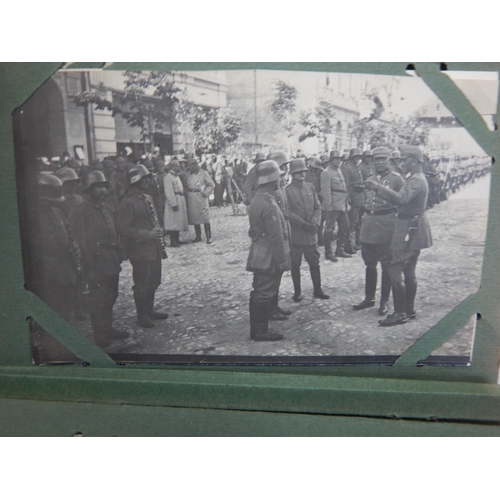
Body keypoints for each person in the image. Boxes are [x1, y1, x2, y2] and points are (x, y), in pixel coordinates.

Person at [365, 145, 433, 326]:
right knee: (409, 269)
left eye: (403, 160)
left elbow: (401, 199)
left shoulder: (415, 180)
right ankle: (409, 309)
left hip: (408, 228)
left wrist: (378, 188)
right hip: (414, 227)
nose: (401, 163)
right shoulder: (417, 178)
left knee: (395, 269)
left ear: (413, 161)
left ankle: (399, 313)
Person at [69, 170, 127, 347]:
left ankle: (108, 328)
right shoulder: (80, 212)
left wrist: (118, 253)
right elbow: (80, 243)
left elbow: (114, 232)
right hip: (95, 261)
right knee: (98, 299)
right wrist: (89, 267)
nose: (102, 190)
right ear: (88, 189)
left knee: (112, 295)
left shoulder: (105, 207)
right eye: (97, 187)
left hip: (110, 258)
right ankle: (100, 334)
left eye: (104, 186)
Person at [352, 147, 404, 315]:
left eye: (383, 159)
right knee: (369, 263)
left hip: (386, 224)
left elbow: (401, 201)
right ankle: (369, 298)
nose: (380, 162)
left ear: (389, 160)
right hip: (369, 224)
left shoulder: (396, 179)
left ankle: (384, 301)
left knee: (386, 264)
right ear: (372, 161)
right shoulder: (370, 178)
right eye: (377, 159)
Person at [117, 164, 169, 328]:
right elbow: (123, 229)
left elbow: (154, 219)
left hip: (154, 248)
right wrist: (147, 234)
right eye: (144, 178)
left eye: (147, 178)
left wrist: (159, 232)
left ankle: (149, 310)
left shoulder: (147, 198)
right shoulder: (128, 202)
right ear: (135, 181)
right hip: (140, 250)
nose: (147, 181)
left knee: (154, 280)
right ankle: (142, 316)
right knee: (141, 284)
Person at [246, 160, 291, 341]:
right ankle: (260, 331)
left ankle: (258, 328)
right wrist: (283, 260)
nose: (280, 181)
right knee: (264, 292)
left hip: (259, 251)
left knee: (259, 289)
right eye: (279, 178)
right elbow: (276, 237)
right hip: (268, 255)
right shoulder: (269, 204)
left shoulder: (256, 200)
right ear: (273, 181)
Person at [286, 159, 329, 302]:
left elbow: (318, 206)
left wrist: (315, 223)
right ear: (292, 174)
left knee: (314, 262)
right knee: (295, 263)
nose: (301, 174)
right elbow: (288, 212)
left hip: (311, 233)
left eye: (303, 171)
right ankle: (297, 291)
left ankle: (318, 289)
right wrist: (303, 224)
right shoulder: (287, 191)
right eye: (298, 172)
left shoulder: (310, 187)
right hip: (297, 233)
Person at [266, 151, 293, 320]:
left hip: (284, 231)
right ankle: (270, 309)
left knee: (278, 274)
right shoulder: (272, 189)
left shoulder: (280, 186)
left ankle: (274, 306)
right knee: (272, 274)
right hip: (275, 235)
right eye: (282, 167)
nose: (285, 170)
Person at [320, 150, 351, 261]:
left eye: (339, 159)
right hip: (333, 206)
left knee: (345, 226)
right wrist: (329, 207)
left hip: (342, 205)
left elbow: (343, 189)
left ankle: (340, 249)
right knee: (329, 229)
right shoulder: (326, 173)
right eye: (336, 159)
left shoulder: (339, 170)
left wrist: (346, 204)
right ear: (331, 160)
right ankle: (328, 252)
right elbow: (325, 192)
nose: (338, 161)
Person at [185, 158, 215, 244]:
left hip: (201, 196)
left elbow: (212, 185)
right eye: (188, 166)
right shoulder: (188, 174)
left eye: (191, 166)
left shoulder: (203, 173)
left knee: (205, 217)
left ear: (195, 165)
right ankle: (198, 236)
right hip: (191, 197)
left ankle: (208, 236)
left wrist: (205, 193)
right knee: (194, 217)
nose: (189, 168)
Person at [163, 160, 188, 247]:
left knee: (178, 221)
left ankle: (177, 239)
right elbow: (169, 192)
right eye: (176, 166)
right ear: (172, 167)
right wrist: (173, 203)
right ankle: (173, 240)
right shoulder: (168, 177)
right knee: (173, 221)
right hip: (174, 200)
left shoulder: (176, 176)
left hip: (180, 198)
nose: (178, 167)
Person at [344, 148, 365, 251]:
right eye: (355, 157)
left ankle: (357, 241)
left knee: (358, 221)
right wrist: (348, 198)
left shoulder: (358, 167)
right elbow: (347, 185)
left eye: (358, 157)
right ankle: (348, 244)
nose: (357, 159)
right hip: (353, 197)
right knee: (352, 222)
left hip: (360, 197)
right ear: (352, 158)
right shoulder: (348, 168)